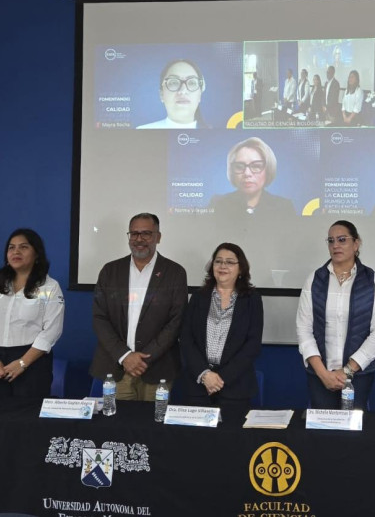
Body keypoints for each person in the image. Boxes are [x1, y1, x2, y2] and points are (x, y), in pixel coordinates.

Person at [90, 213, 188, 401]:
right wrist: (125, 356)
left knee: (153, 427)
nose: (139, 239)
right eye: (134, 234)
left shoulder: (175, 273)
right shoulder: (110, 271)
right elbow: (99, 318)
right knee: (117, 427)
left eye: (146, 234)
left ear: (158, 237)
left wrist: (142, 360)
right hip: (116, 366)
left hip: (157, 368)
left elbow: (176, 321)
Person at [296, 220, 375, 409]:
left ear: (356, 244)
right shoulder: (315, 279)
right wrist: (323, 373)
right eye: (331, 241)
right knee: (321, 433)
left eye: (342, 239)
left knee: (352, 435)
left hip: (358, 375)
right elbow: (304, 329)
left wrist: (347, 371)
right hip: (320, 375)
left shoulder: (372, 281)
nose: (335, 245)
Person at [0, 228, 65, 400]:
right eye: (11, 248)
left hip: (32, 363)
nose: (16, 251)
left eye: (24, 247)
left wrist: (22, 363)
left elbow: (51, 331)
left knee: (28, 422)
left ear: (37, 254)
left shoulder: (49, 287)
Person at [179, 243, 263, 419]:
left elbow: (252, 345)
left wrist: (219, 379)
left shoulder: (252, 300)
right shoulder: (198, 297)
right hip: (198, 386)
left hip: (235, 388)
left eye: (230, 262)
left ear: (241, 269)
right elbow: (186, 339)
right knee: (193, 443)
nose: (223, 266)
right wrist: (205, 375)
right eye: (218, 261)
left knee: (231, 443)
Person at [209, 137, 296, 217]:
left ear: (268, 169)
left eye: (256, 166)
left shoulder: (284, 208)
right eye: (239, 167)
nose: (247, 173)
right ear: (232, 171)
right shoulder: (217, 204)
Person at [137, 59, 207, 129]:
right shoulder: (141, 131)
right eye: (173, 83)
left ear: (199, 95)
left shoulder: (213, 135)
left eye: (192, 83)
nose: (183, 91)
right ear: (161, 95)